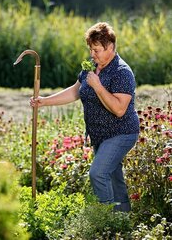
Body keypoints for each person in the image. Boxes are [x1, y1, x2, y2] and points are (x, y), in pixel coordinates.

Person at [30, 22, 140, 212]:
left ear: (111, 47)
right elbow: (75, 91)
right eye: (90, 49)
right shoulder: (91, 67)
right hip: (100, 135)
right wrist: (44, 101)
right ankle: (123, 221)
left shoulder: (122, 72)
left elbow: (119, 110)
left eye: (97, 50)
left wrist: (98, 86)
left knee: (98, 173)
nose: (92, 54)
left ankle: (106, 219)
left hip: (121, 133)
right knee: (114, 177)